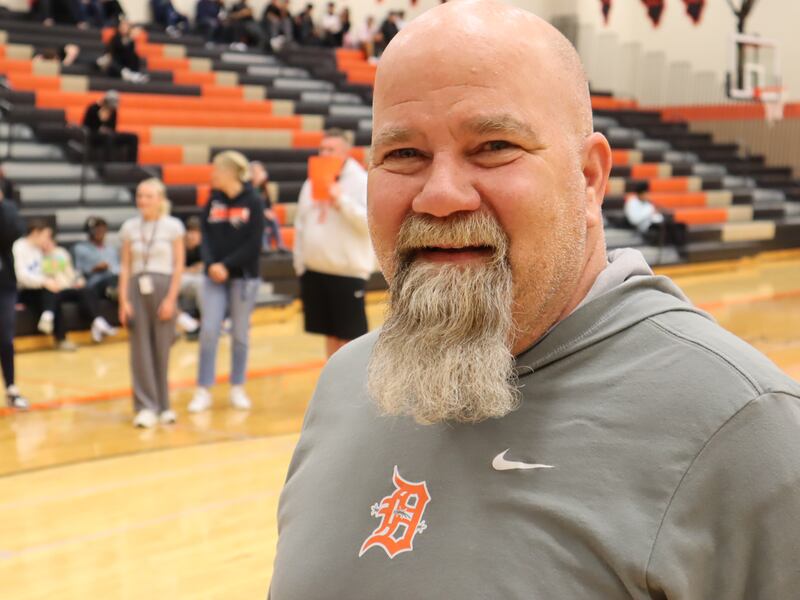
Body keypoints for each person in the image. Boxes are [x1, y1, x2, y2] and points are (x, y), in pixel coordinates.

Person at [269, 2, 800, 599]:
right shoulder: (346, 382)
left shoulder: (746, 427)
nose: (440, 195)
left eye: (493, 146)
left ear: (589, 178)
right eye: (404, 155)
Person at [188, 151, 264, 414]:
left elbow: (254, 244)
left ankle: (237, 386)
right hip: (213, 277)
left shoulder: (254, 201)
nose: (213, 175)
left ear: (230, 172)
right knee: (209, 331)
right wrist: (211, 264)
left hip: (243, 277)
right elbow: (205, 237)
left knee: (240, 335)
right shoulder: (213, 199)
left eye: (217, 170)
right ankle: (203, 389)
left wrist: (227, 265)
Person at [293, 129, 372, 358]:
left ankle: (354, 381)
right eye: (322, 149)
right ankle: (332, 380)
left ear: (345, 152)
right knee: (329, 334)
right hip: (315, 269)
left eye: (331, 149)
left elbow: (369, 224)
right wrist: (300, 263)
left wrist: (341, 200)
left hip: (347, 272)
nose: (325, 153)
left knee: (351, 339)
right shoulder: (311, 181)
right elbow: (300, 223)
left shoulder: (361, 181)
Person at [118, 179, 185, 428]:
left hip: (163, 288)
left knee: (162, 349)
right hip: (137, 289)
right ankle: (145, 406)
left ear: (160, 199)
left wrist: (171, 299)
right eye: (139, 195)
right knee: (140, 350)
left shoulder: (173, 226)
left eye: (148, 196)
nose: (143, 201)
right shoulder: (129, 227)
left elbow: (178, 265)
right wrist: (123, 300)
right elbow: (125, 266)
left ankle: (164, 405)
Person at [14, 220, 116, 351]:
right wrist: (44, 282)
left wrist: (53, 254)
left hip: (52, 286)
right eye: (46, 236)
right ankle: (56, 329)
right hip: (28, 290)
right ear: (35, 233)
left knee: (84, 290)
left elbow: (61, 271)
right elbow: (21, 276)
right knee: (51, 292)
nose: (48, 239)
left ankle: (97, 322)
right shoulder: (19, 247)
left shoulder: (45, 250)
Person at [0, 191, 28, 409]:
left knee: (5, 338)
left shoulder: (8, 209)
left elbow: (14, 231)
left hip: (4, 284)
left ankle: (11, 388)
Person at [82, 90, 139, 164]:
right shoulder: (93, 108)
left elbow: (113, 128)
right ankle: (109, 165)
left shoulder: (113, 111)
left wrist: (107, 126)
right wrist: (100, 125)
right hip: (94, 135)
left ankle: (132, 165)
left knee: (133, 137)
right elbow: (86, 126)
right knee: (108, 137)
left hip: (109, 134)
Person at [73, 216, 120, 302]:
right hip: (95, 283)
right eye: (96, 229)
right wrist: (94, 269)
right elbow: (78, 272)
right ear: (89, 231)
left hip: (114, 280)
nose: (100, 232)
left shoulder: (112, 249)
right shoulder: (80, 248)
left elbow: (118, 268)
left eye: (102, 229)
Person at [250, 161, 287, 253]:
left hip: (263, 214)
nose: (259, 174)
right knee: (262, 220)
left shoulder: (263, 188)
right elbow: (250, 205)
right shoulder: (249, 189)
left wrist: (269, 212)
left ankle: (280, 244)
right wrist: (263, 212)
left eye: (261, 171)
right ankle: (264, 245)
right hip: (253, 215)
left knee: (273, 219)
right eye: (256, 172)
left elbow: (268, 204)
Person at [177, 216, 203, 336]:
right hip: (177, 279)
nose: (192, 236)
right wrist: (190, 269)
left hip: (194, 279)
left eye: (196, 232)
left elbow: (204, 265)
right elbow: (176, 267)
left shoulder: (204, 247)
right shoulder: (178, 245)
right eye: (190, 231)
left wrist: (190, 269)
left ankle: (207, 323)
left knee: (207, 284)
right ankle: (188, 323)